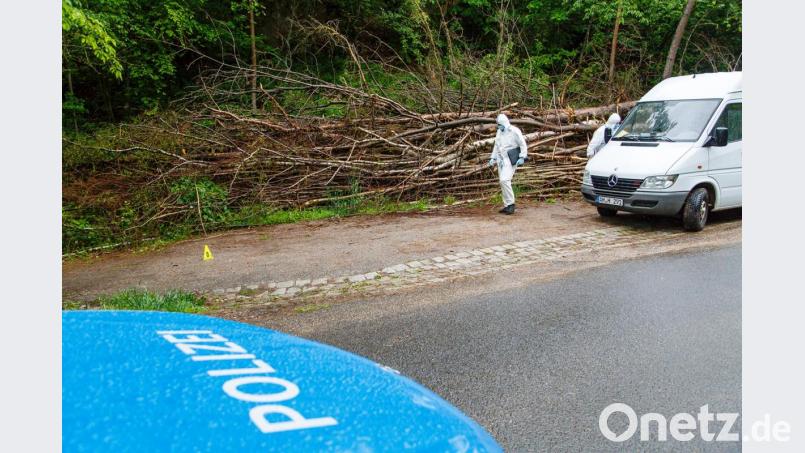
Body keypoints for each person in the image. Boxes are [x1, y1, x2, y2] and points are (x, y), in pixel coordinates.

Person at [488, 114, 527, 215]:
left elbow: (522, 144)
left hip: (511, 159)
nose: (499, 126)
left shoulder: (514, 131)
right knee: (502, 183)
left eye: (500, 124)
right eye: (498, 125)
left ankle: (511, 204)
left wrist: (522, 157)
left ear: (505, 123)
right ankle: (506, 205)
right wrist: (493, 157)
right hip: (501, 160)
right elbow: (496, 145)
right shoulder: (499, 132)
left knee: (504, 180)